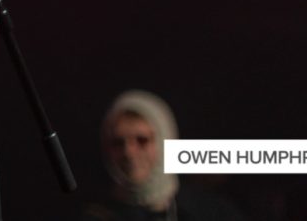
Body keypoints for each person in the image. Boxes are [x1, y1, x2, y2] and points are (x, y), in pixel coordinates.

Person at [78, 89, 245, 221]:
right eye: (118, 143)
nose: (129, 152)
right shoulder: (95, 216)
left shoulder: (210, 212)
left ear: (164, 139)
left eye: (142, 140)